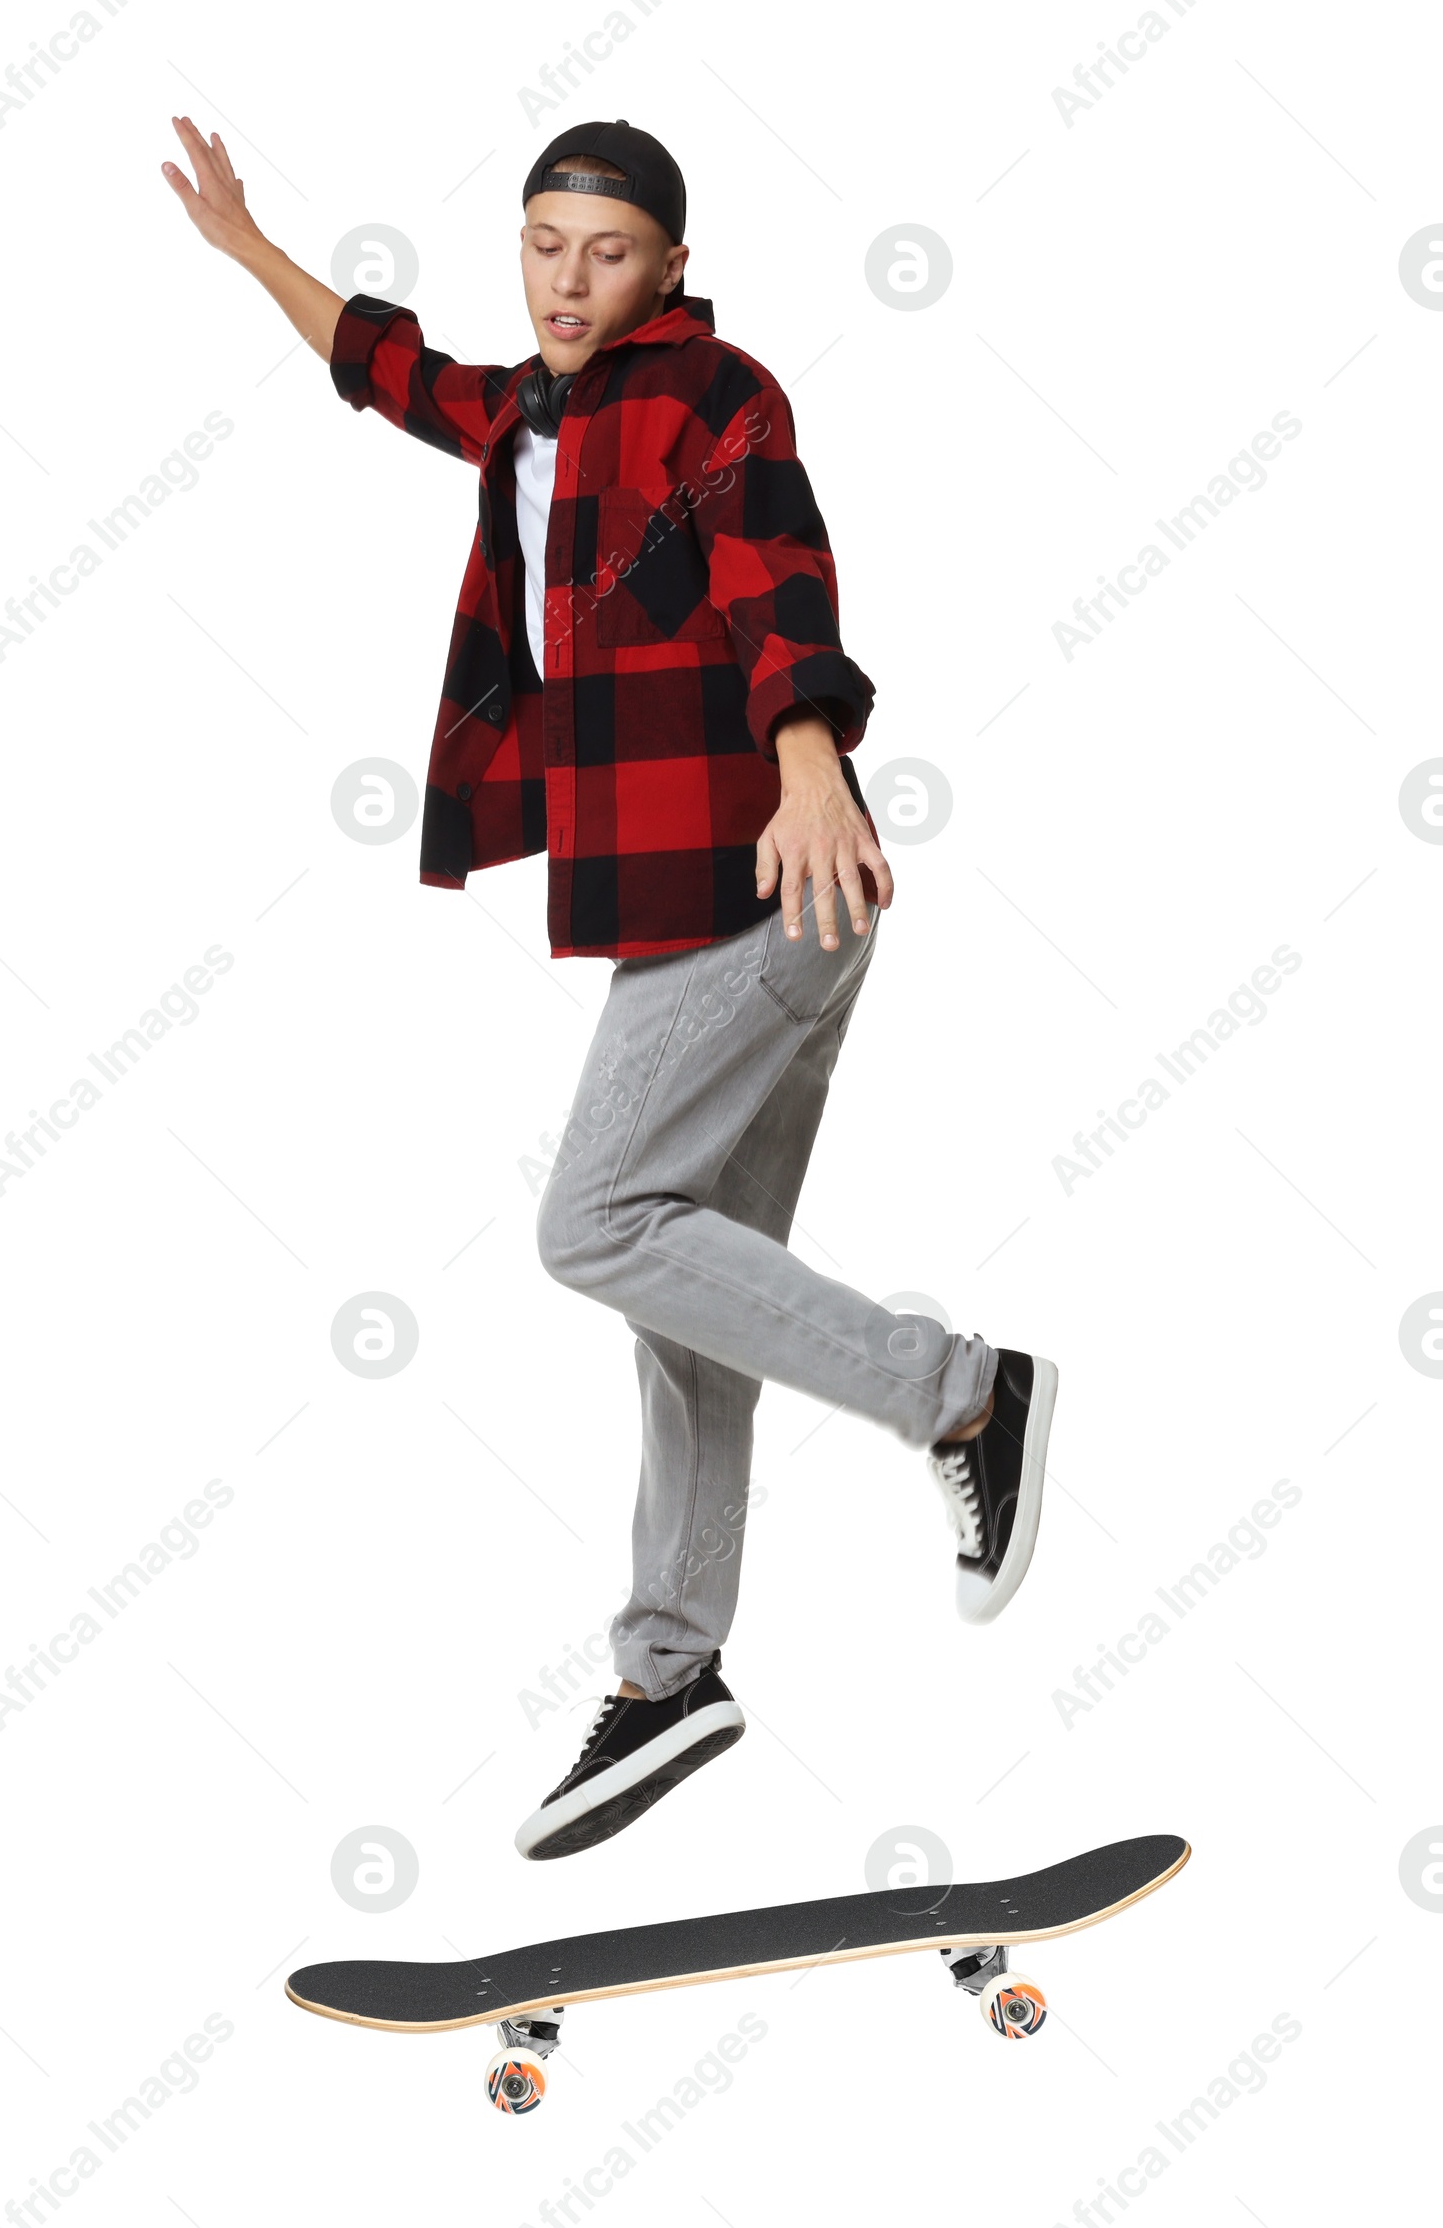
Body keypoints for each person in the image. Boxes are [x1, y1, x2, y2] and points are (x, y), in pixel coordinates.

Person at [161, 111, 1057, 1862]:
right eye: (543, 248)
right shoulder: (534, 412)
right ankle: (673, 1674)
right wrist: (252, 247)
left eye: (608, 255)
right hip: (695, 901)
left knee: (591, 1221)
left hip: (767, 876)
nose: (569, 283)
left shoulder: (709, 395)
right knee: (687, 1294)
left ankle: (960, 1389)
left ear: (667, 267)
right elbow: (391, 370)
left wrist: (810, 752)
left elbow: (775, 569)